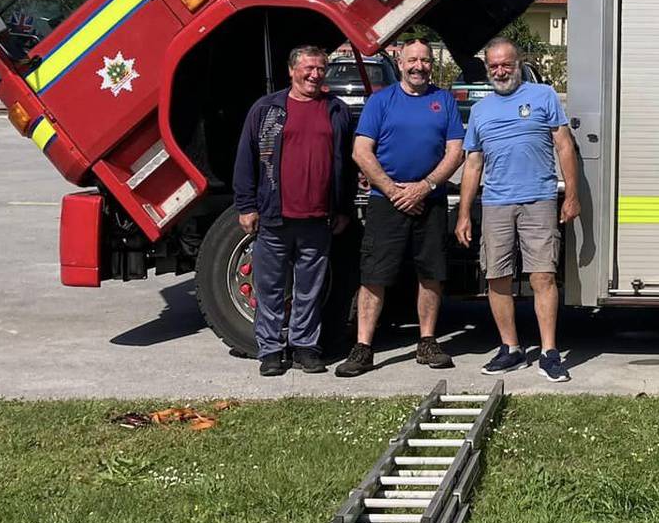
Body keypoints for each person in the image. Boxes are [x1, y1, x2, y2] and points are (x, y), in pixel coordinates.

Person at [337, 39, 465, 377]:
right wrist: (395, 191)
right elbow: (361, 152)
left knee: (431, 274)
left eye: (424, 60)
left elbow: (456, 152)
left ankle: (427, 341)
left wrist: (424, 187)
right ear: (400, 62)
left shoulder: (444, 101)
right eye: (412, 59)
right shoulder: (381, 101)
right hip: (386, 203)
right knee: (374, 275)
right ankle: (363, 347)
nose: (419, 66)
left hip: (431, 202)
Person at [455, 39, 581, 381]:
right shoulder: (481, 110)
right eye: (494, 66)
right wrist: (465, 213)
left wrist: (571, 195)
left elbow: (564, 145)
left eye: (506, 64)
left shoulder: (544, 96)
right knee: (497, 277)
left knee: (542, 276)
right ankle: (510, 349)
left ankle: (549, 352)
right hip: (495, 203)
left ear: (518, 63)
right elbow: (472, 164)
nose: (500, 71)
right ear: (487, 69)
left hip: (538, 200)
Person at [232, 44, 355, 376]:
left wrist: (342, 208)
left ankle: (305, 348)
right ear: (292, 70)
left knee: (309, 290)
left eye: (320, 69)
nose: (315, 75)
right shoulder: (268, 109)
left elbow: (346, 165)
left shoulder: (336, 110)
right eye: (308, 68)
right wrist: (246, 206)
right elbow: (246, 160)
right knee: (270, 288)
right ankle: (271, 350)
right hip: (274, 217)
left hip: (318, 219)